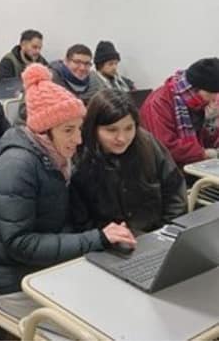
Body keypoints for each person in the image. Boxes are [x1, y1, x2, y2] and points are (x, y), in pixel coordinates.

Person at [0, 64, 135, 318]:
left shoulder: (57, 158)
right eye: (68, 130)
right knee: (101, 321)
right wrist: (97, 239)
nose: (79, 139)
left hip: (47, 268)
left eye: (79, 128)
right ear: (43, 131)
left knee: (119, 296)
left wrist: (105, 237)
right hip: (16, 283)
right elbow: (21, 244)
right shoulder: (15, 168)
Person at [71, 89, 186, 234]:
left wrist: (168, 231)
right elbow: (80, 221)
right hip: (108, 241)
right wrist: (106, 239)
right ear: (93, 128)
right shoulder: (78, 159)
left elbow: (175, 190)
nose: (122, 138)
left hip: (157, 233)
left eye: (129, 128)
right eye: (111, 130)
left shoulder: (147, 143)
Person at [140, 57, 219, 167]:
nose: (215, 98)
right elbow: (165, 147)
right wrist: (204, 154)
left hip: (194, 164)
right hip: (167, 167)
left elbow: (207, 142)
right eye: (214, 93)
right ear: (196, 89)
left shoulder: (198, 101)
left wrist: (211, 123)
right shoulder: (158, 103)